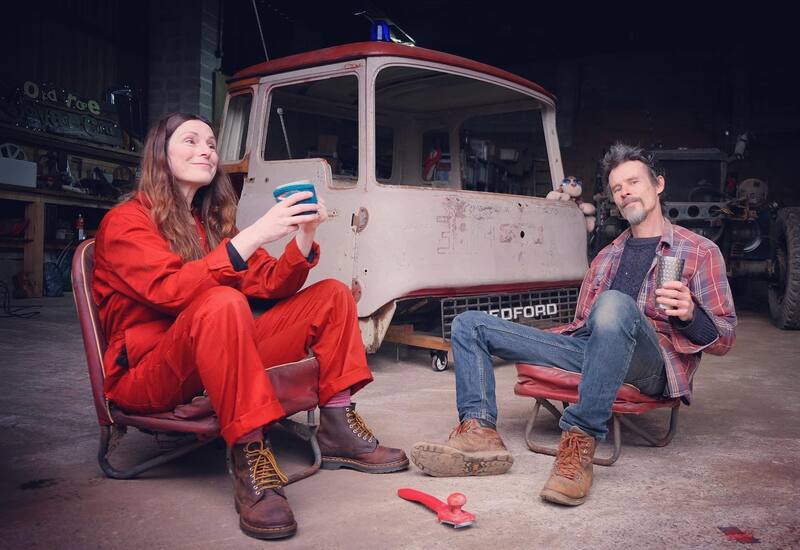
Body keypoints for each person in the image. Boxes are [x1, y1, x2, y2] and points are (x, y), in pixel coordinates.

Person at [92, 112, 408, 540]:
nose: (206, 149)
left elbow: (272, 283)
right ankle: (250, 457)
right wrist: (254, 234)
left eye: (210, 143)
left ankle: (337, 426)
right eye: (190, 141)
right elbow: (169, 291)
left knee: (332, 293)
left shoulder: (209, 224)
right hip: (149, 374)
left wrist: (305, 235)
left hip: (212, 357)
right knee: (223, 300)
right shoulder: (126, 222)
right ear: (160, 156)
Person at [410, 142, 736, 506]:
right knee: (469, 324)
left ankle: (579, 443)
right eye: (617, 188)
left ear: (658, 185)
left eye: (633, 182)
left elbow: (724, 338)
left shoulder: (699, 251)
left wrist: (691, 315)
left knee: (614, 304)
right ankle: (479, 430)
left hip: (652, 363)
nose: (625, 192)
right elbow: (583, 325)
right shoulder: (607, 255)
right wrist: (539, 343)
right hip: (593, 349)